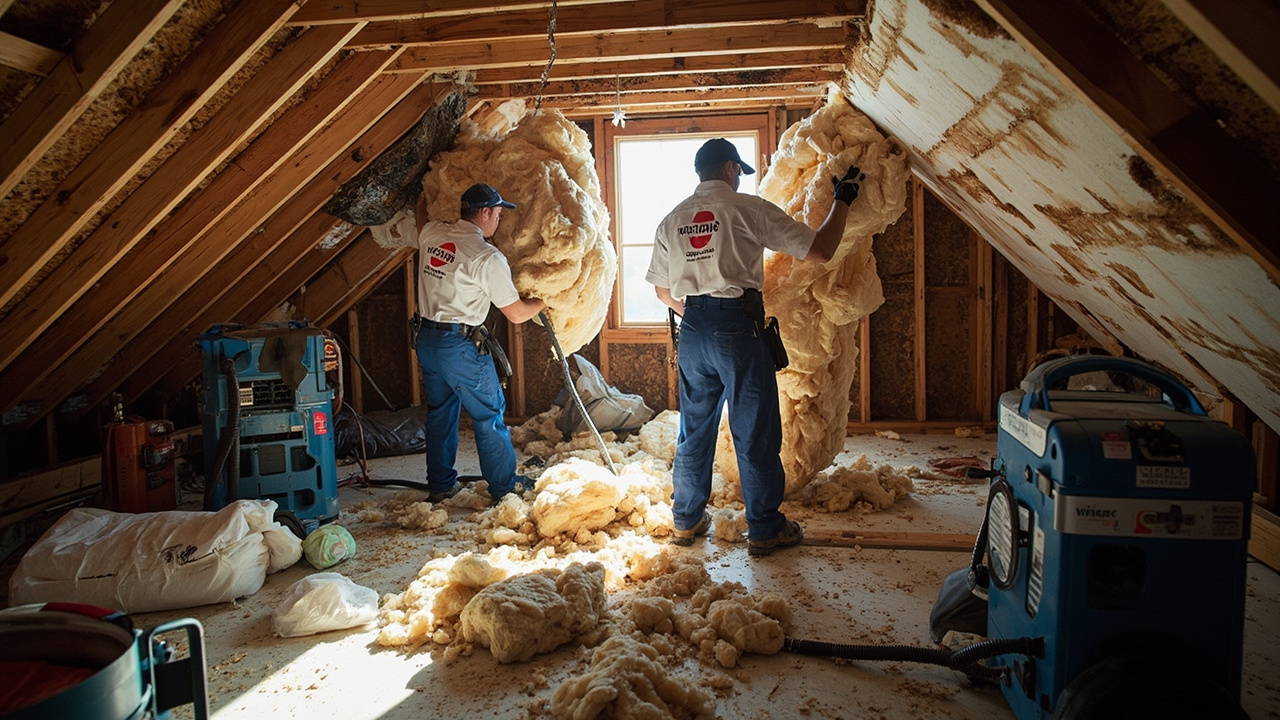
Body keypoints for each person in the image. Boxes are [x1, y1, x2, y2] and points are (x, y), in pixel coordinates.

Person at [646, 138, 864, 556]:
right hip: (737, 329)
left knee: (694, 430)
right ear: (731, 168)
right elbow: (821, 249)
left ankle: (686, 521)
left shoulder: (672, 219)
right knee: (754, 430)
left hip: (692, 330)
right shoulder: (748, 209)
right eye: (738, 172)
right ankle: (764, 528)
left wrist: (700, 314)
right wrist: (843, 199)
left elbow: (661, 291)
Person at [413, 183, 545, 504]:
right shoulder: (486, 257)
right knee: (488, 414)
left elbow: (420, 216)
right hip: (459, 347)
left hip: (427, 340)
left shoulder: (433, 234)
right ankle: (504, 488)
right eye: (498, 214)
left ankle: (441, 485)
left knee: (441, 412)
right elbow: (516, 314)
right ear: (484, 213)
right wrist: (543, 301)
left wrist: (422, 190)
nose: (499, 220)